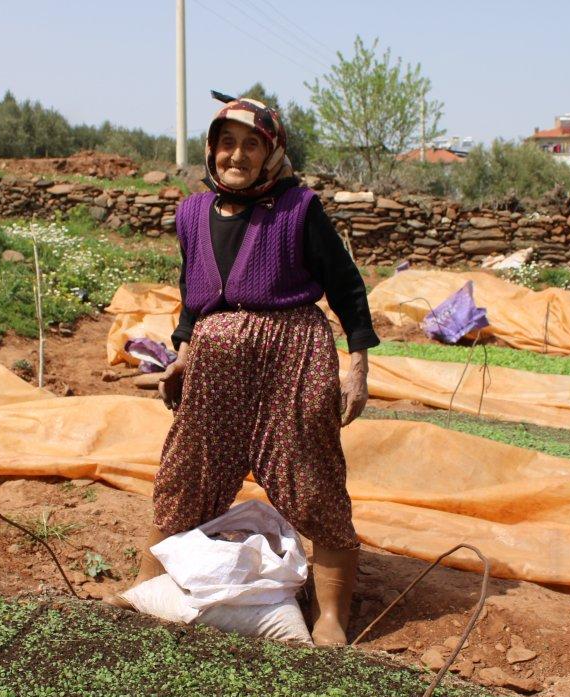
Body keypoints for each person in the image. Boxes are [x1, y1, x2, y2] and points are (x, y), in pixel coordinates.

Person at [111, 96, 379, 646]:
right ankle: (147, 585)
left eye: (251, 144)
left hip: (292, 360)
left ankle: (330, 615)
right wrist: (182, 352)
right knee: (187, 472)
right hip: (215, 367)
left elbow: (347, 289)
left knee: (313, 478)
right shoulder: (191, 213)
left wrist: (357, 367)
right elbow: (195, 296)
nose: (237, 155)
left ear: (270, 151)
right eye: (226, 143)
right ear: (212, 150)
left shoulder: (298, 210)